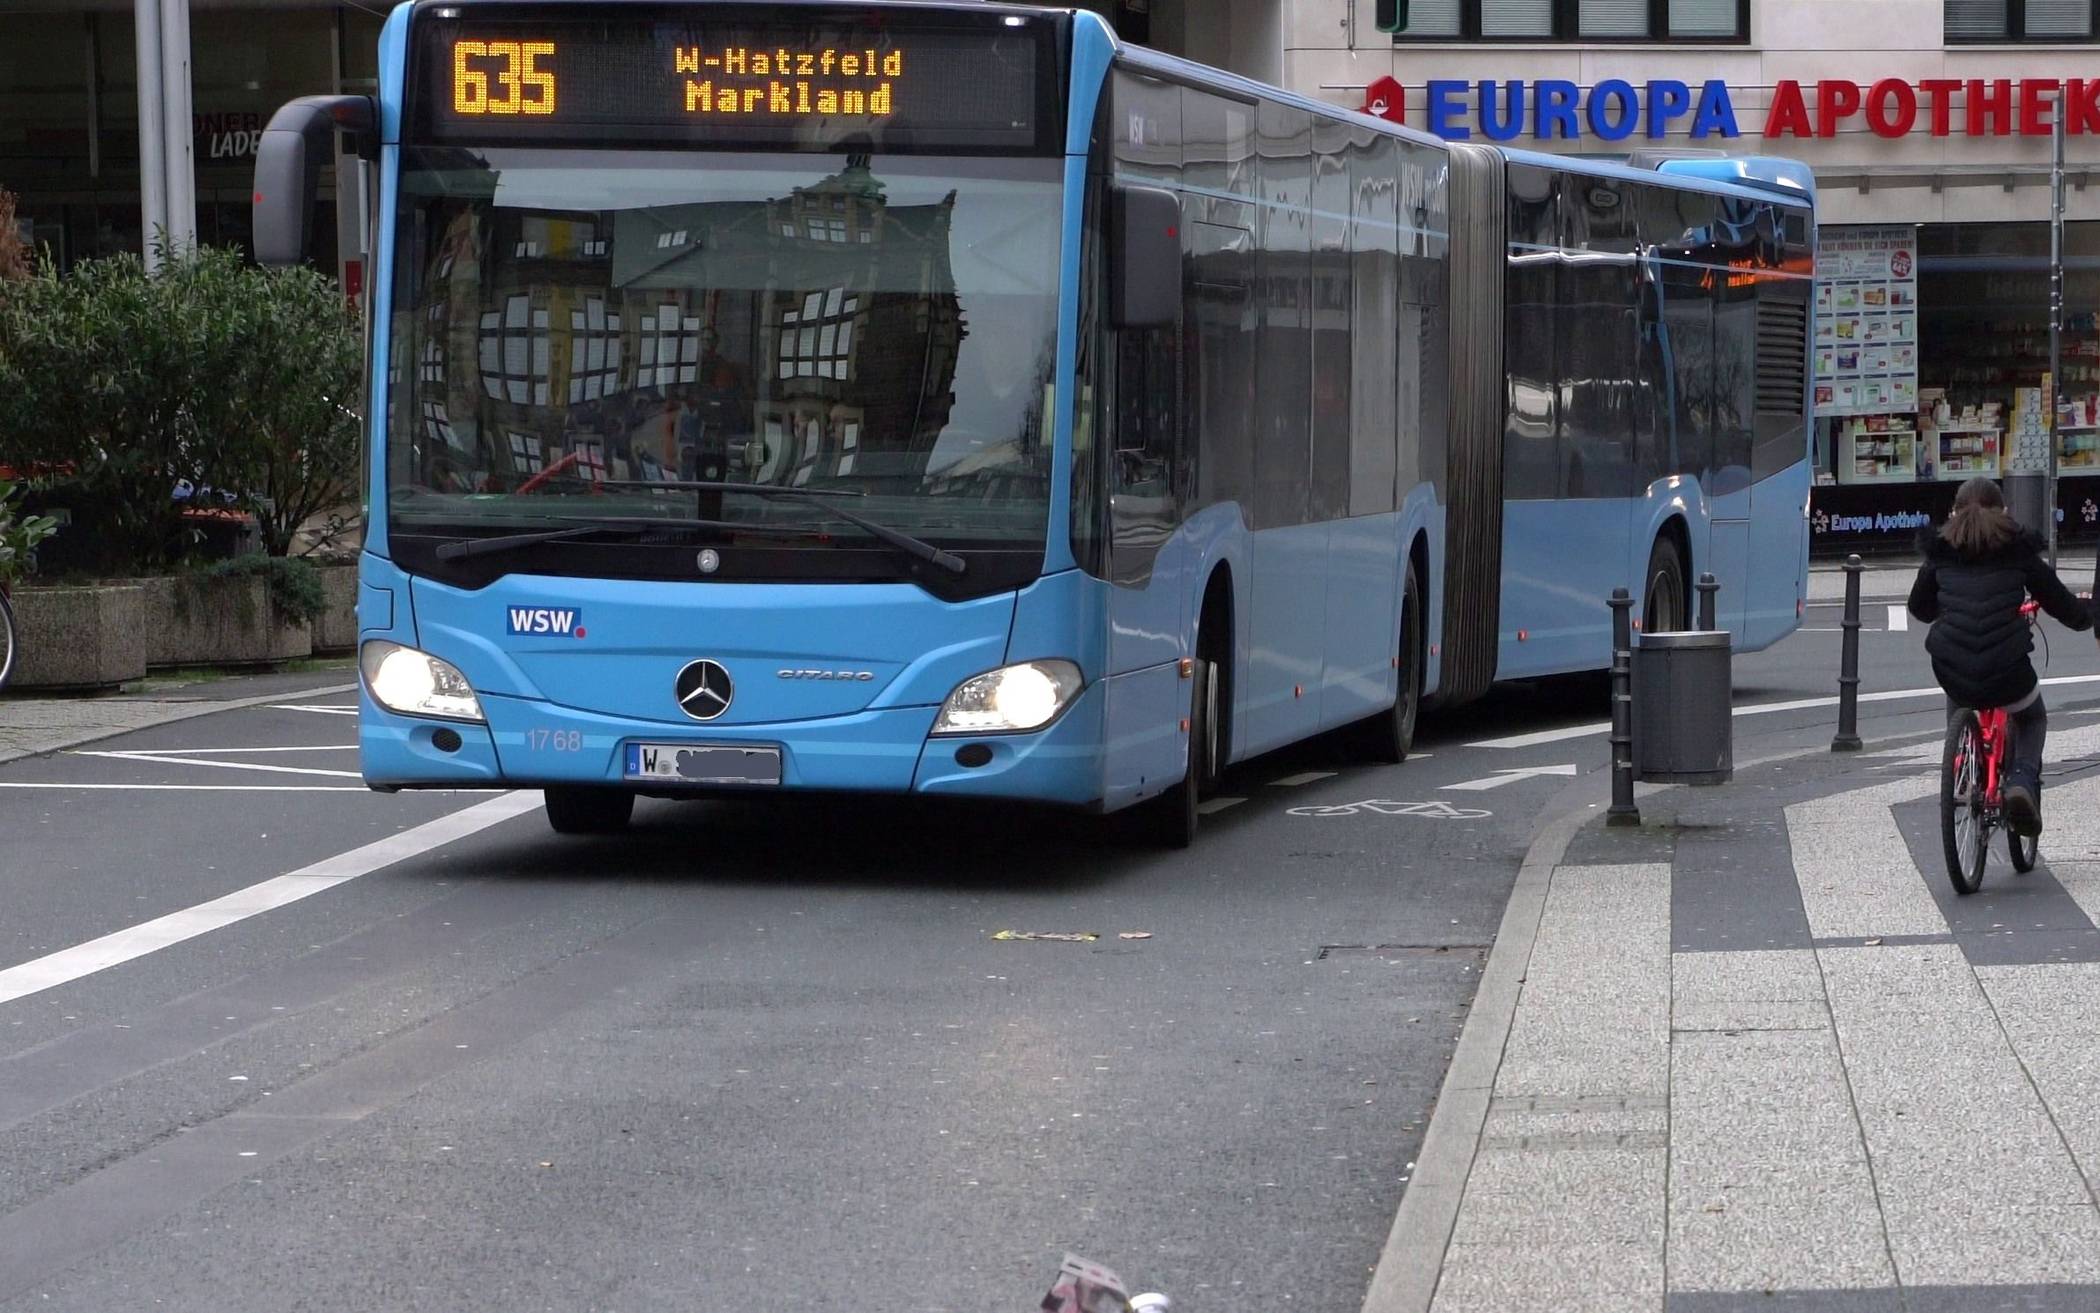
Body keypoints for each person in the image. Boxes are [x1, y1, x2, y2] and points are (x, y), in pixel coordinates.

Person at [1908, 477, 2095, 836]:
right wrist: (2087, 613)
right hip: (2006, 667)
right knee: (2032, 718)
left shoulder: (1940, 552)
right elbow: (2064, 608)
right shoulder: (2018, 551)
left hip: (1951, 664)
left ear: (1953, 512)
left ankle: (1962, 763)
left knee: (1959, 683)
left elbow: (1919, 608)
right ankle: (2021, 780)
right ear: (2004, 511)